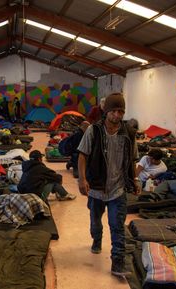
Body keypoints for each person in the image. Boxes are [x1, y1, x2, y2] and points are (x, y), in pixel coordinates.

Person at [77, 93, 139, 277]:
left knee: (117, 226)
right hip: (96, 188)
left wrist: (134, 180)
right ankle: (97, 239)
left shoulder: (128, 132)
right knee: (96, 222)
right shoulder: (94, 131)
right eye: (114, 111)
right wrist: (82, 179)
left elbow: (133, 160)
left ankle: (118, 264)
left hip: (118, 189)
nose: (118, 115)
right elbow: (82, 155)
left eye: (121, 111)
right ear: (106, 111)